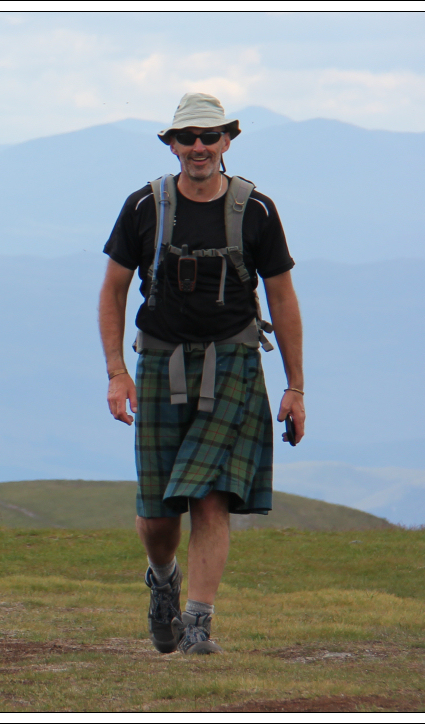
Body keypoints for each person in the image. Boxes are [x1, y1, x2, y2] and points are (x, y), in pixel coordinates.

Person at [98, 93, 305, 655]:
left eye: (209, 136)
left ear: (227, 140)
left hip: (233, 364)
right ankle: (163, 580)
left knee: (212, 496)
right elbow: (113, 290)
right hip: (159, 362)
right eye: (187, 137)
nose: (198, 147)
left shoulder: (256, 210)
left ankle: (197, 623)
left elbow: (282, 299)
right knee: (158, 512)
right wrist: (117, 372)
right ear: (171, 144)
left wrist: (295, 387)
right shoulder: (144, 207)